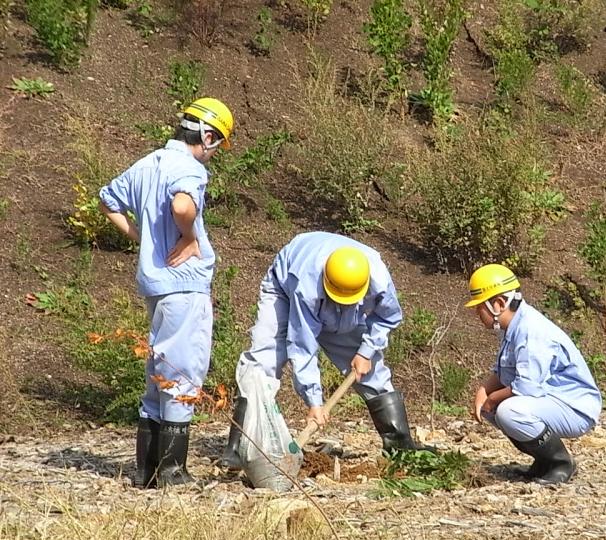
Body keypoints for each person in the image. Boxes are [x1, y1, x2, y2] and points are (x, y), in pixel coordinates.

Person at [99, 98, 235, 488]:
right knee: (182, 372)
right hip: (184, 285)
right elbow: (181, 205)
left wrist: (141, 239)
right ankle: (173, 471)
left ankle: (147, 470)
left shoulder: (149, 162)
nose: (213, 154)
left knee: (158, 371)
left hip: (156, 286)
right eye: (216, 145)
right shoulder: (188, 168)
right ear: (207, 136)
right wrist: (189, 237)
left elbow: (108, 200)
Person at [220, 231, 427, 469]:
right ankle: (239, 448)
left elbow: (389, 317)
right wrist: (314, 402)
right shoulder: (305, 285)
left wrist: (366, 352)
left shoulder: (378, 276)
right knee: (264, 360)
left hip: (345, 307)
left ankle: (400, 446)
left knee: (372, 371)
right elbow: (302, 345)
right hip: (284, 289)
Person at [466, 264, 602, 484]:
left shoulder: (531, 331)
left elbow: (526, 387)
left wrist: (492, 399)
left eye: (479, 307)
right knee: (495, 409)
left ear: (498, 304)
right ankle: (542, 461)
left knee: (510, 411)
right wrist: (483, 393)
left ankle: (560, 463)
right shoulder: (515, 327)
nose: (476, 313)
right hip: (553, 400)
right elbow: (504, 371)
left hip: (575, 407)